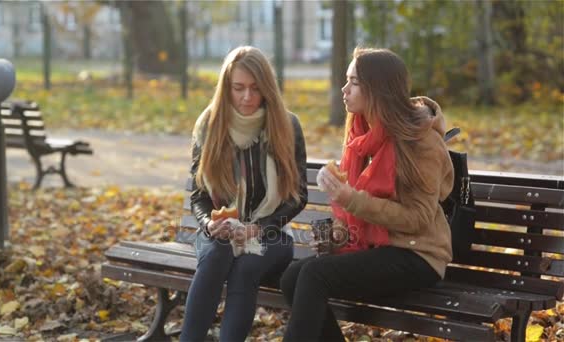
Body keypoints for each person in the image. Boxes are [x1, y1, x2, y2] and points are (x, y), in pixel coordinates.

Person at [280, 47, 454, 341]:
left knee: (313, 276)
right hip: (378, 251)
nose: (344, 89)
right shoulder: (361, 137)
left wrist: (351, 199)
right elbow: (357, 212)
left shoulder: (420, 143)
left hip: (417, 255)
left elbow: (419, 219)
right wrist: (339, 232)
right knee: (291, 278)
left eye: (354, 82)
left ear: (378, 89)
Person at [180, 46, 308, 342]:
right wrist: (210, 225)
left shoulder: (287, 125)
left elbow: (298, 196)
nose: (247, 97)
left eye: (255, 88)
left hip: (271, 233)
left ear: (267, 89)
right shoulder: (209, 125)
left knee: (247, 266)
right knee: (216, 255)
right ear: (227, 88)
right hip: (219, 231)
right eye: (238, 88)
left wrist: (258, 228)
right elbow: (199, 195)